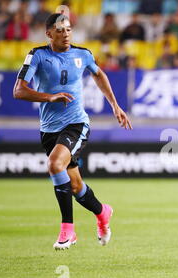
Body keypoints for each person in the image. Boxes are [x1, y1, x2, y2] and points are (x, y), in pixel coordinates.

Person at [13, 13, 132, 250]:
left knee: (55, 165)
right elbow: (19, 90)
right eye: (60, 30)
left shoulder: (83, 54)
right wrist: (49, 96)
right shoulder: (37, 55)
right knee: (76, 187)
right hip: (49, 128)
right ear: (49, 33)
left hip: (76, 123)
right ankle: (102, 212)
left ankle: (68, 230)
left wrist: (115, 106)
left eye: (68, 30)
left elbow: (99, 75)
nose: (65, 34)